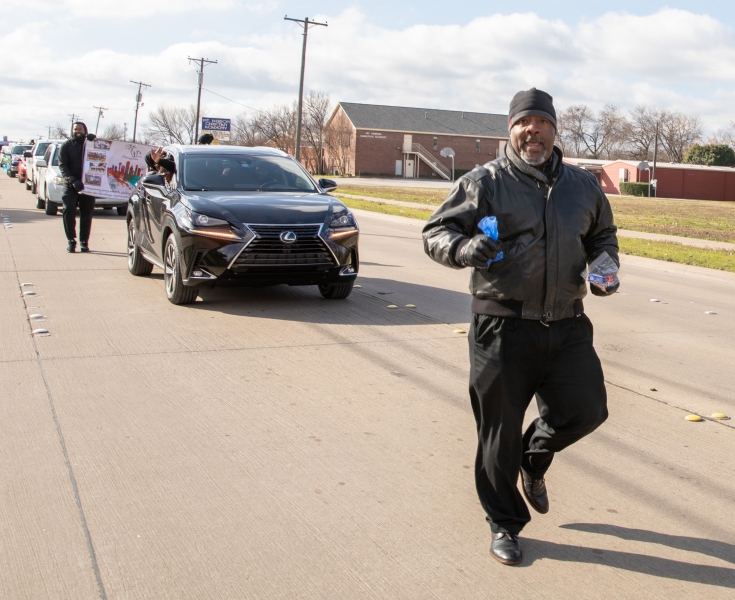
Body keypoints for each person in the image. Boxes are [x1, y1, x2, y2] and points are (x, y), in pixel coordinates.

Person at [422, 88, 619, 566]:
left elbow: (602, 236)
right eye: (523, 122)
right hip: (502, 326)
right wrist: (464, 250)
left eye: (542, 122)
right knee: (498, 434)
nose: (534, 131)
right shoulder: (484, 181)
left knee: (588, 409)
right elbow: (436, 233)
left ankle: (535, 457)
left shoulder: (582, 185)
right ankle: (505, 524)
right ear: (510, 129)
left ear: (554, 129)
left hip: (568, 325)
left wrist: (605, 265)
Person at [58, 122, 96, 252]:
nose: (77, 131)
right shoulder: (66, 146)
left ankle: (84, 241)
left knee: (87, 214)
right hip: (71, 184)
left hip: (88, 185)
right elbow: (63, 165)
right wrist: (72, 180)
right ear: (72, 131)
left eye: (80, 129)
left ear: (85, 130)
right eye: (75, 129)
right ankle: (71, 240)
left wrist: (95, 141)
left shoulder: (91, 144)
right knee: (68, 210)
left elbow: (106, 153)